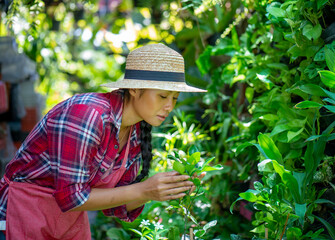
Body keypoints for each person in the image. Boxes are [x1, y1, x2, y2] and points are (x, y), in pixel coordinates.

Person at [0, 43, 207, 239]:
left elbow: (115, 204)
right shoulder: (88, 115)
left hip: (65, 223)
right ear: (134, 89)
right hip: (19, 216)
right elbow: (72, 198)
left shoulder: (134, 131)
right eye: (163, 96)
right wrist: (144, 189)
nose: (169, 106)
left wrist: (167, 188)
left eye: (175, 98)